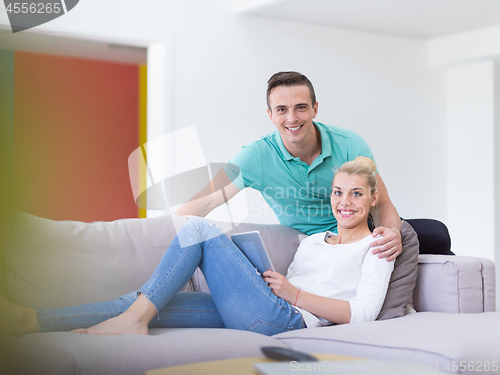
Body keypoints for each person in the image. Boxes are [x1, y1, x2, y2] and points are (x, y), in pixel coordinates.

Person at [1, 157, 394, 337]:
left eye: (357, 194)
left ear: (373, 199)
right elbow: (284, 288)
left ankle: (133, 319)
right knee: (148, 299)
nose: (345, 202)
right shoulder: (312, 241)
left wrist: (294, 294)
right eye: (339, 192)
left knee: (198, 229)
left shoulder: (377, 246)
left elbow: (363, 314)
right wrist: (267, 282)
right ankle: (33, 320)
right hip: (266, 307)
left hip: (288, 320)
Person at [175, 71, 452, 257]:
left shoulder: (350, 144)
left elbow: (382, 204)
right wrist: (162, 233)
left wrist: (391, 233)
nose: (292, 118)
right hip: (322, 244)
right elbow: (204, 201)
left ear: (315, 108)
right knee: (432, 237)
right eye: (282, 110)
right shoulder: (255, 156)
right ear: (270, 115)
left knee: (437, 235)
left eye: (301, 107)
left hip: (362, 230)